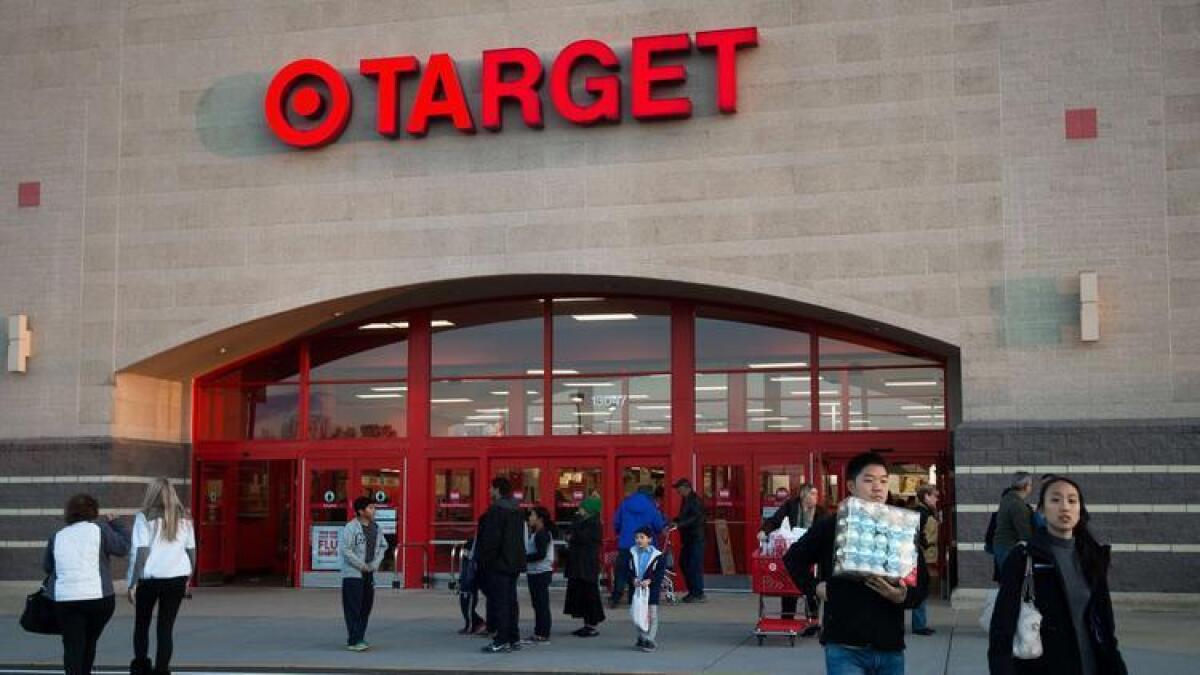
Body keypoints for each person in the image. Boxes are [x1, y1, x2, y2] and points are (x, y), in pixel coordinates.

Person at [784, 452, 929, 675]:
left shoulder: (902, 528)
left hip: (889, 645)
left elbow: (921, 585)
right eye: (869, 480)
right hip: (844, 646)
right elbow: (793, 558)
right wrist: (815, 587)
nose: (878, 488)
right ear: (851, 485)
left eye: (883, 481)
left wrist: (903, 596)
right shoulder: (831, 525)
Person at [988, 476, 1127, 675]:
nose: (1064, 507)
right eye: (1055, 500)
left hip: (1092, 665)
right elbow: (1002, 628)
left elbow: (1105, 624)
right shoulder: (1023, 557)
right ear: (1042, 510)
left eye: (1072, 500)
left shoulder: (1092, 556)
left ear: (1080, 509)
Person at [43, 493, 131, 675]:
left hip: (66, 600)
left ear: (69, 512)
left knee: (73, 645)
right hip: (99, 599)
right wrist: (118, 524)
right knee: (90, 642)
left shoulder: (57, 536)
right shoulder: (101, 529)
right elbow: (123, 548)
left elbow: (48, 567)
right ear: (94, 511)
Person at [127, 478, 195, 675]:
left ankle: (141, 666)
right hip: (176, 577)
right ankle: (162, 670)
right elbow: (191, 550)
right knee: (165, 628)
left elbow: (140, 552)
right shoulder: (185, 518)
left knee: (142, 624)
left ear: (151, 494)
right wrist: (188, 577)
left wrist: (132, 583)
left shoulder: (144, 517)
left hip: (149, 579)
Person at [757, 483, 826, 624]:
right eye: (812, 494)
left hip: (813, 553)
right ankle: (787, 618)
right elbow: (775, 520)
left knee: (812, 587)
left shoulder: (821, 512)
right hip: (793, 551)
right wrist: (764, 531)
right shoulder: (790, 506)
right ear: (803, 495)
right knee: (789, 583)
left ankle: (813, 620)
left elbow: (826, 529)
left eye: (816, 494)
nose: (815, 498)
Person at [477, 477, 526, 653]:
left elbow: (491, 540)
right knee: (511, 601)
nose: (489, 491)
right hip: (514, 562)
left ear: (497, 489)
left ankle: (501, 640)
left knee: (500, 602)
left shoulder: (496, 510)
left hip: (499, 563)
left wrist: (485, 560)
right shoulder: (517, 510)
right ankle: (514, 638)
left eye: (491, 488)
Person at [339, 496, 386, 652]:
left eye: (374, 507)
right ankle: (353, 640)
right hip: (353, 574)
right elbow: (346, 550)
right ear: (361, 511)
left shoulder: (376, 528)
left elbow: (382, 547)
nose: (374, 510)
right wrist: (361, 566)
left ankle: (360, 636)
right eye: (371, 507)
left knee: (366, 606)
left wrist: (374, 564)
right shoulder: (351, 528)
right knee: (353, 607)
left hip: (369, 573)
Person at [610, 484, 666, 608]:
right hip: (644, 545)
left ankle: (615, 597)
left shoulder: (625, 504)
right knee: (640, 572)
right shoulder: (651, 506)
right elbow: (658, 525)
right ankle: (634, 599)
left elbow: (617, 522)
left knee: (622, 571)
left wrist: (622, 533)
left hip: (625, 543)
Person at [563, 494, 605, 637]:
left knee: (589, 593)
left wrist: (573, 536)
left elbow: (580, 537)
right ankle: (587, 623)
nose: (579, 509)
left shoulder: (594, 523)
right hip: (578, 563)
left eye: (583, 507)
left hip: (586, 564)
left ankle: (591, 624)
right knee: (581, 593)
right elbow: (570, 533)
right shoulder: (579, 520)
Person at [628, 525, 667, 653]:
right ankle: (641, 637)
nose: (638, 540)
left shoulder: (657, 556)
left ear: (649, 539)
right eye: (636, 537)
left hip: (652, 590)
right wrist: (633, 579)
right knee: (638, 614)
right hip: (637, 589)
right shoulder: (632, 553)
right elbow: (627, 570)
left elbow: (660, 573)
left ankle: (649, 639)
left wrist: (650, 580)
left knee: (652, 615)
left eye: (642, 537)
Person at [668, 478, 706, 603]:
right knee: (684, 563)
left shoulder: (695, 500)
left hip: (696, 538)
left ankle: (698, 593)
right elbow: (685, 516)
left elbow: (695, 518)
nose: (678, 491)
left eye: (679, 488)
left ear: (686, 487)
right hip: (688, 538)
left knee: (694, 565)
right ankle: (693, 591)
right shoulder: (686, 500)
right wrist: (675, 521)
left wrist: (679, 525)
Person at [523, 505, 555, 644]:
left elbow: (541, 554)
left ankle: (543, 632)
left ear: (540, 519)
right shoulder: (537, 533)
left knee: (541, 603)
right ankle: (539, 631)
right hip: (535, 571)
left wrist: (523, 558)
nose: (529, 518)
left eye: (532, 516)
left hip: (540, 572)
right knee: (538, 603)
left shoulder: (542, 534)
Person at [993, 472, 1035, 575]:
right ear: (1025, 486)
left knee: (1007, 582)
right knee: (1013, 585)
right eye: (1030, 484)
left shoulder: (1007, 499)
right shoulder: (1018, 505)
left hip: (1002, 546)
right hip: (1010, 548)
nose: (1031, 487)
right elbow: (1025, 534)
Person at [911, 484, 939, 636]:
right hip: (918, 554)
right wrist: (924, 543)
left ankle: (920, 623)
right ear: (926, 496)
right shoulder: (922, 513)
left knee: (920, 586)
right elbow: (914, 532)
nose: (937, 499)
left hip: (920, 553)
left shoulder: (924, 512)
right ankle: (919, 625)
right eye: (935, 495)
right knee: (920, 586)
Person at [456, 535, 486, 636]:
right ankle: (472, 624)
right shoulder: (467, 560)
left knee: (468, 606)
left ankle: (473, 625)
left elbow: (472, 570)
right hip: (466, 582)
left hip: (470, 583)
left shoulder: (474, 559)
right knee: (465, 605)